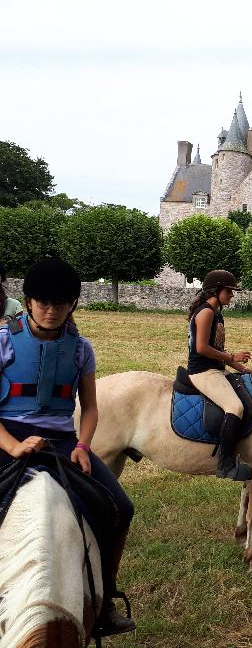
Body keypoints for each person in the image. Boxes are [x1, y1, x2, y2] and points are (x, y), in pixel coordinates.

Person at [0, 258, 136, 637]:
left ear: (72, 304)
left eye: (59, 303)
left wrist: (82, 444)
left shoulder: (81, 350)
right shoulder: (3, 342)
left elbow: (90, 407)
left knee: (120, 508)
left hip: (61, 441)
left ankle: (105, 599)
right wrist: (12, 446)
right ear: (27, 302)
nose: (50, 310)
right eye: (42, 302)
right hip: (7, 436)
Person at [187, 269, 252, 481]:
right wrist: (233, 355)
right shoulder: (206, 312)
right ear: (215, 291)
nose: (232, 295)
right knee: (235, 407)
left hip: (215, 368)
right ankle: (225, 464)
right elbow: (201, 348)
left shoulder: (217, 313)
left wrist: (244, 370)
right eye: (229, 291)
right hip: (203, 372)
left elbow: (217, 351)